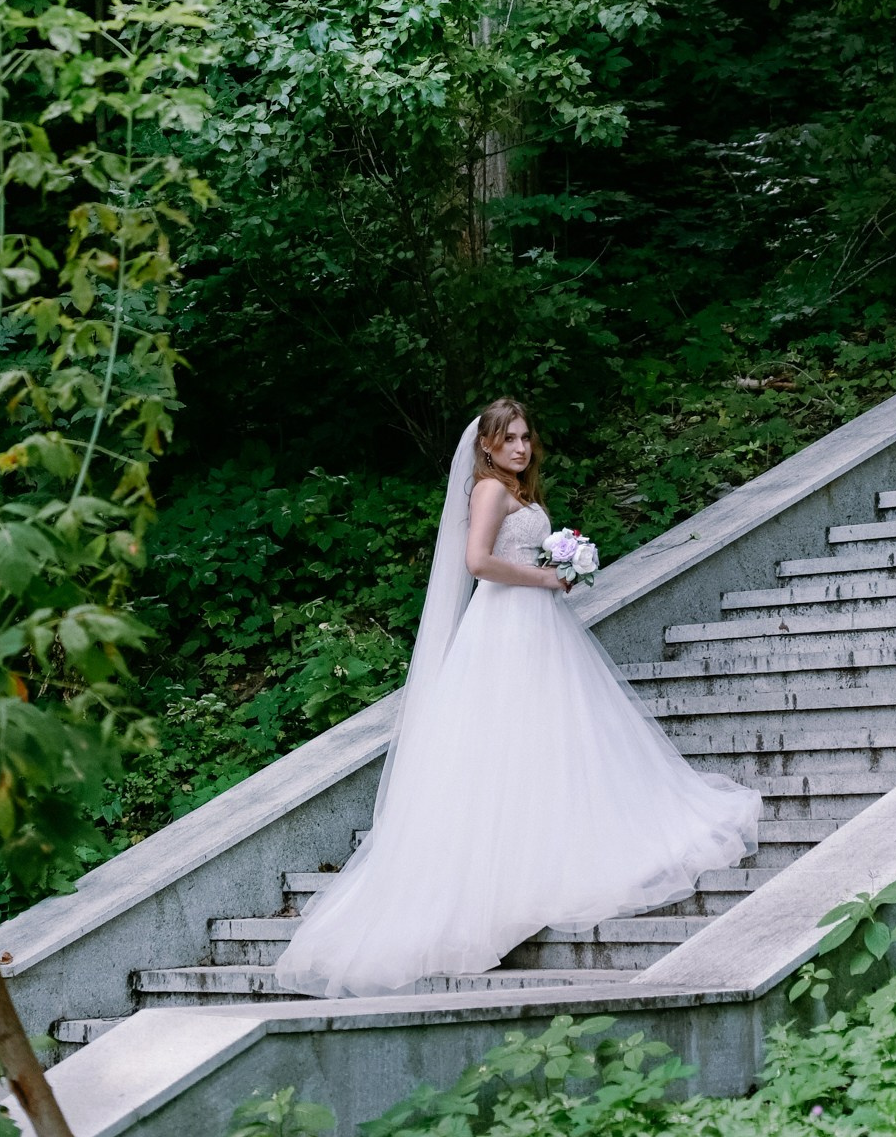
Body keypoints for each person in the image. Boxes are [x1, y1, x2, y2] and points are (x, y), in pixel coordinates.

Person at [275, 397, 762, 998]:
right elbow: (478, 562)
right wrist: (547, 575)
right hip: (504, 627)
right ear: (485, 445)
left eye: (526, 437)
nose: (520, 447)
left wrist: (562, 568)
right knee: (507, 744)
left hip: (538, 627)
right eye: (508, 439)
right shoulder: (488, 492)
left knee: (553, 739)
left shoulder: (519, 492)